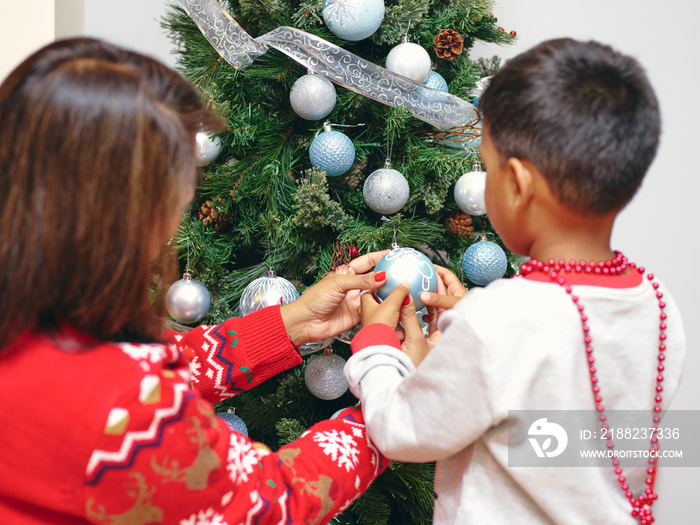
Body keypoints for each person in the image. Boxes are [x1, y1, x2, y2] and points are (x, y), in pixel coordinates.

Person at [0, 37, 392, 524]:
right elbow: (268, 505)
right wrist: (390, 404)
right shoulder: (122, 409)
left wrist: (290, 323)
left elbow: (141, 368)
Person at [344, 38, 687, 525]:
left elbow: (404, 431)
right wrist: (472, 331)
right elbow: (574, 433)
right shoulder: (656, 300)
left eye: (485, 167)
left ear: (519, 185)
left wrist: (376, 344)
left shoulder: (502, 320)